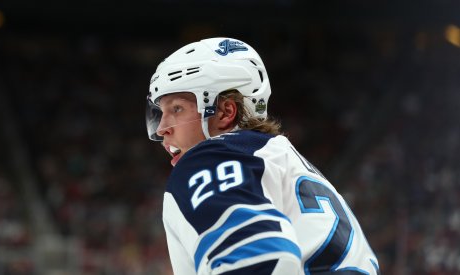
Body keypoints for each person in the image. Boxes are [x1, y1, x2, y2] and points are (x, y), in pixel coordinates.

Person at [146, 37, 379, 275]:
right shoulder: (281, 159)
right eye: (160, 112)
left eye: (177, 109)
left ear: (225, 113)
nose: (161, 128)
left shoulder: (209, 159)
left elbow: (260, 261)